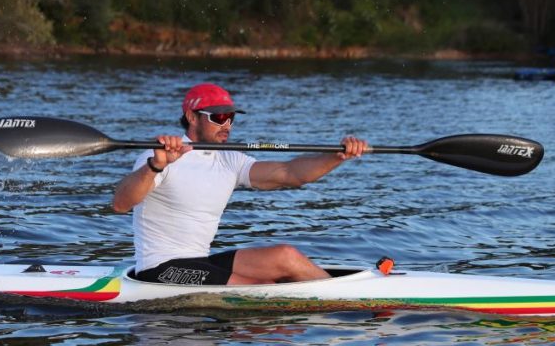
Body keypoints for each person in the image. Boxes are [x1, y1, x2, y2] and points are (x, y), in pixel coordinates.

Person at [112, 83, 368, 286]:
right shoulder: (158, 155)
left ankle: (351, 297)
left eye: (231, 118)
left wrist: (336, 157)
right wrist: (155, 166)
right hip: (159, 269)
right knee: (264, 286)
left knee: (285, 256)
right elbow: (121, 204)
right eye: (218, 117)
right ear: (191, 117)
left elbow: (290, 173)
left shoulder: (230, 160)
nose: (226, 125)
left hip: (200, 261)